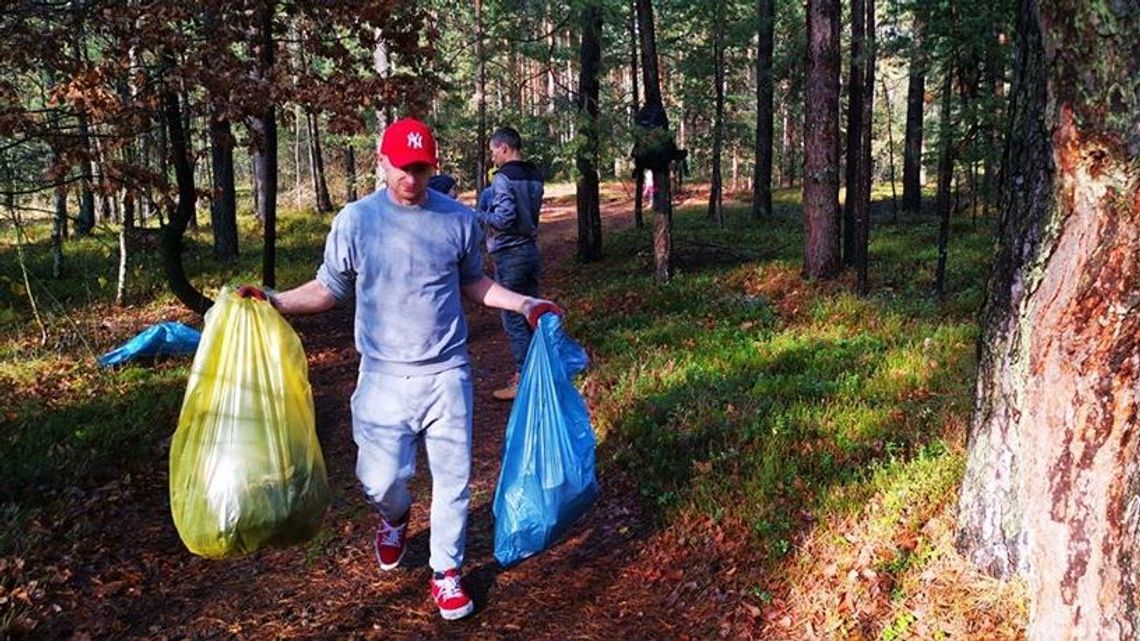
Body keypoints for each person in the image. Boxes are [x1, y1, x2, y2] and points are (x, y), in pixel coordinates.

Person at [239, 117, 559, 621]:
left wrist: (524, 304)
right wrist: (275, 301)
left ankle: (446, 573)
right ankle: (394, 516)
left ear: (433, 166)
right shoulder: (356, 221)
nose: (412, 178)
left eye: (422, 168)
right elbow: (330, 288)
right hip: (383, 376)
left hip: (447, 371)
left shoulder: (457, 220)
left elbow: (475, 284)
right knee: (379, 479)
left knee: (454, 481)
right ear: (382, 163)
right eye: (403, 167)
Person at [476, 126, 545, 401]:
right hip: (530, 250)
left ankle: (525, 381)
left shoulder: (504, 177)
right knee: (531, 314)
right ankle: (539, 374)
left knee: (514, 318)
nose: (493, 157)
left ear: (504, 148)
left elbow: (504, 219)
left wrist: (479, 214)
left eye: (493, 151)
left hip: (510, 254)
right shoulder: (534, 174)